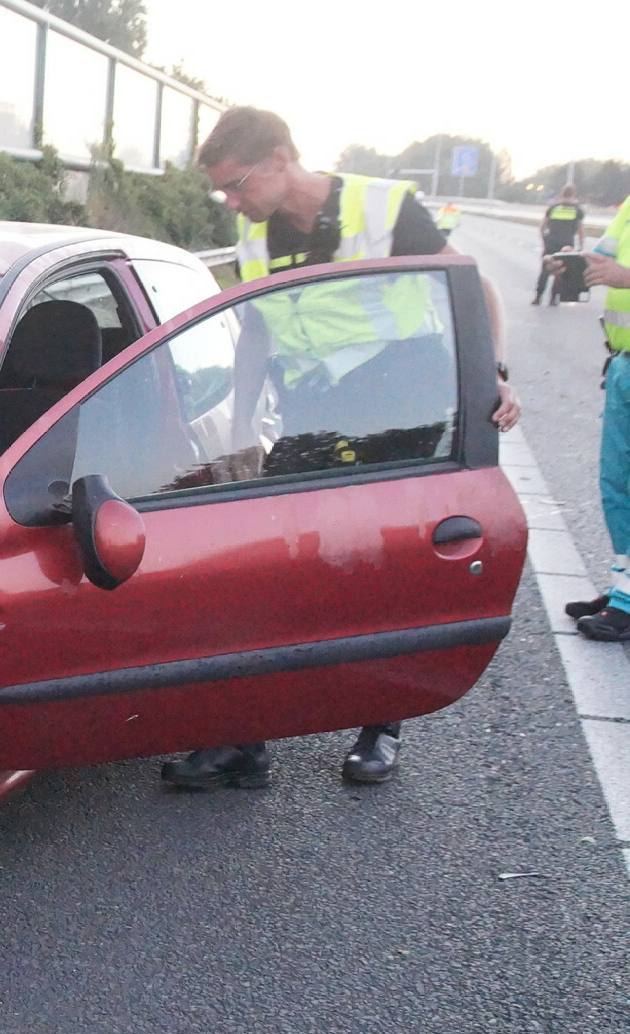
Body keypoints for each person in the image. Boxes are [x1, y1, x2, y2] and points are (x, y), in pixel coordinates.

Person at [162, 106, 521, 791]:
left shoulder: (379, 206)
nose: (232, 203)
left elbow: (474, 286)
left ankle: (378, 729)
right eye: (224, 194)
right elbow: (257, 335)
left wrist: (494, 375)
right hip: (311, 421)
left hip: (399, 417)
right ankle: (243, 744)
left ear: (277, 159)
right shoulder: (254, 231)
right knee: (267, 574)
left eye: (236, 185)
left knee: (382, 580)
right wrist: (241, 435)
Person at [551, 197, 630, 639]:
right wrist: (572, 266)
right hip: (623, 364)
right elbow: (602, 259)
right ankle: (624, 586)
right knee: (617, 486)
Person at [533, 185, 586, 305]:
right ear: (573, 194)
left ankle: (538, 297)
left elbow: (543, 227)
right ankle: (553, 298)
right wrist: (581, 245)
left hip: (551, 242)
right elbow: (580, 229)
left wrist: (545, 240)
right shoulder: (577, 210)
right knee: (561, 271)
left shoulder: (553, 207)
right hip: (566, 244)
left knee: (545, 270)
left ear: (562, 193)